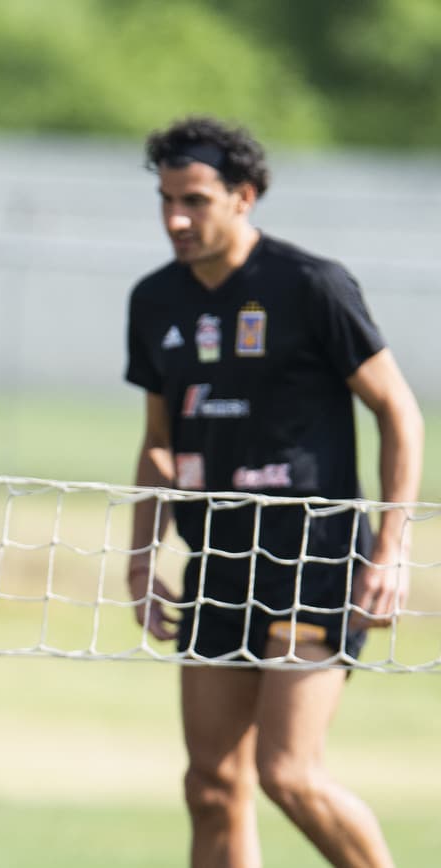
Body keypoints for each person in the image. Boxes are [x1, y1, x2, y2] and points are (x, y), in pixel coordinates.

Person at [124, 116, 423, 867]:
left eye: (193, 199)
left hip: (311, 562)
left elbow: (398, 410)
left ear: (244, 196)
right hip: (217, 564)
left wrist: (389, 550)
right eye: (165, 200)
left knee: (287, 774)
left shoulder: (310, 285)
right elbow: (158, 442)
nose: (176, 219)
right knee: (210, 784)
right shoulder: (155, 301)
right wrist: (140, 558)